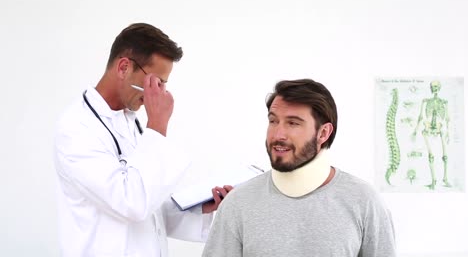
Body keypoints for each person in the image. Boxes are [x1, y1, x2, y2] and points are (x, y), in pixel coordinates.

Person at [54, 23, 231, 257]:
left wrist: (198, 209)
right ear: (124, 67)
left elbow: (149, 206)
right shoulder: (77, 128)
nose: (159, 92)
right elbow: (131, 204)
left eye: (163, 84)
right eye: (156, 82)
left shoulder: (129, 121)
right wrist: (158, 124)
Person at [202, 79, 396, 257]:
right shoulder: (238, 203)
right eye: (273, 121)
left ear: (323, 133)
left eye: (293, 123)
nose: (278, 134)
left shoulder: (364, 201)